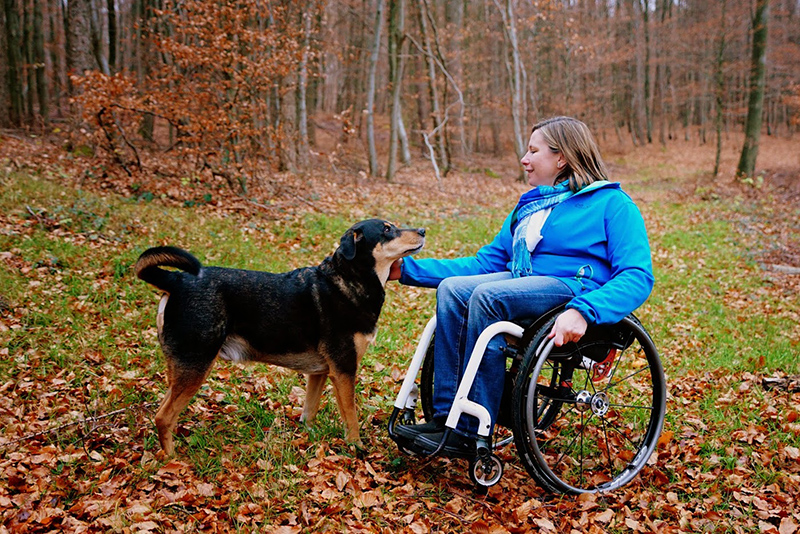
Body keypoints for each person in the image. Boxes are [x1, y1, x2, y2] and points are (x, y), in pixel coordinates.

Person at [390, 116, 654, 454]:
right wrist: (406, 270)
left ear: (562, 158)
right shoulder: (529, 207)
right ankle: (448, 418)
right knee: (455, 290)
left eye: (533, 151)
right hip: (522, 285)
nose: (524, 159)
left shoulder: (612, 204)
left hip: (574, 289)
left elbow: (637, 275)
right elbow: (485, 264)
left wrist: (583, 313)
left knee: (487, 296)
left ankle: (470, 430)